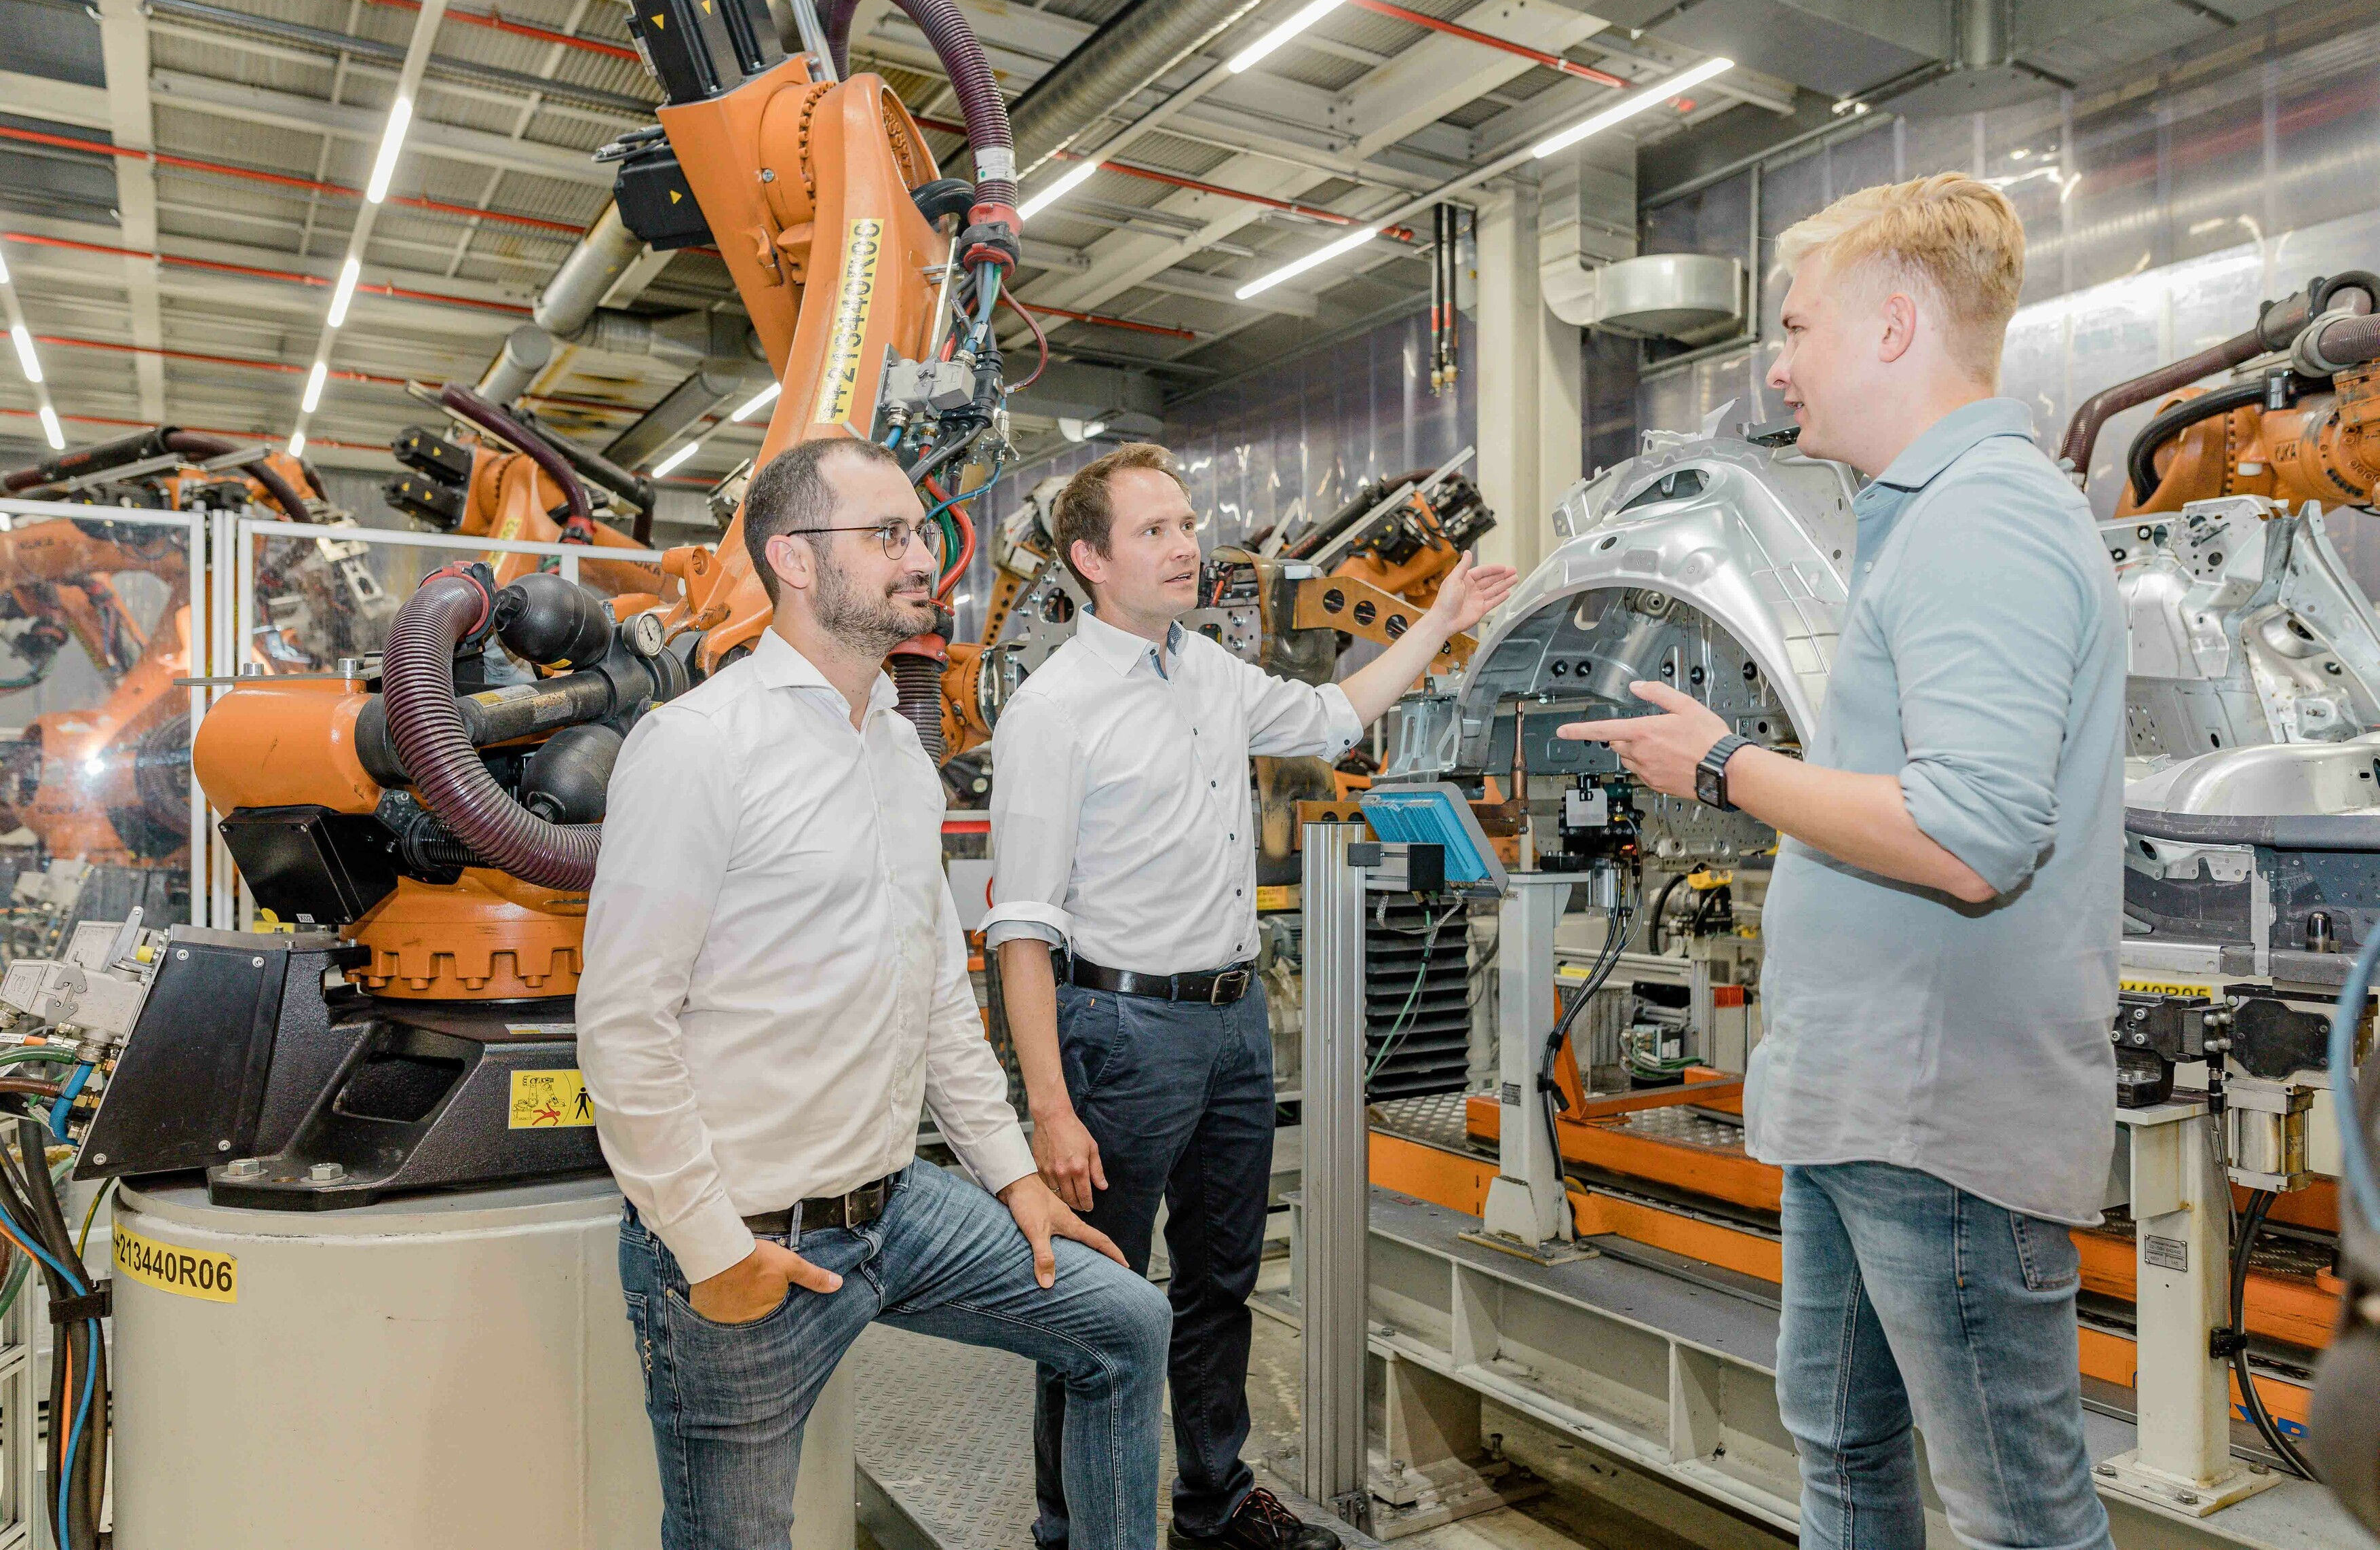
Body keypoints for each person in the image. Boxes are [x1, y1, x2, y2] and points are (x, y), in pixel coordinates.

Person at [1563, 174, 2123, 1550]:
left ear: (1891, 328)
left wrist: (1722, 767)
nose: (1777, 365)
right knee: (1844, 1451)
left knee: (2017, 1513)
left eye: (1797, 327)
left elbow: (1969, 834)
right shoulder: (1921, 516)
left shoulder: (1983, 518)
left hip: (1934, 1123)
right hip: (1862, 1109)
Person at [577, 436, 1172, 1550]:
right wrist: (711, 1249)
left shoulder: (898, 755)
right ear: (796, 560)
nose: (924, 558)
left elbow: (937, 993)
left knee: (1126, 1326)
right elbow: (623, 1024)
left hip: (900, 1209)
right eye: (888, 534)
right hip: (756, 1239)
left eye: (922, 532)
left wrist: (1012, 1178)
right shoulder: (698, 747)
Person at [986, 443, 1516, 1550]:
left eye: (1187, 524)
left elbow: (1331, 717)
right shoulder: (1053, 710)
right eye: (1154, 531)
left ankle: (1213, 1504)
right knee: (1093, 1299)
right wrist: (1049, 1106)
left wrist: (1440, 620)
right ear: (1089, 559)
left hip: (1231, 1026)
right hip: (1119, 1032)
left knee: (1220, 1282)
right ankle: (1069, 1528)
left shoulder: (1212, 673)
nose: (1187, 546)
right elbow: (1022, 927)